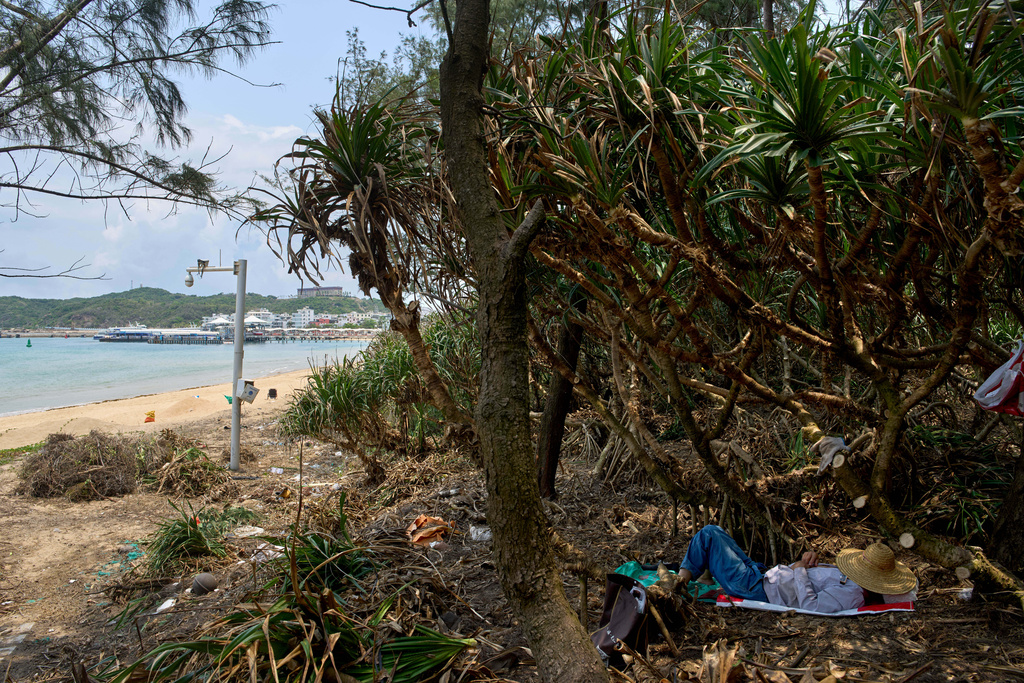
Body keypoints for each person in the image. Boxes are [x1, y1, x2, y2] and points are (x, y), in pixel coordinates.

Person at [677, 525, 917, 613]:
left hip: (756, 588)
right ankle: (695, 577)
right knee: (718, 533)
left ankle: (676, 586)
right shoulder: (851, 581)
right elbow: (814, 578)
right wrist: (809, 561)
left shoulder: (851, 595)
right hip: (764, 575)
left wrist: (801, 570)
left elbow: (811, 606)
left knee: (709, 534)